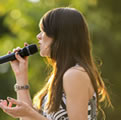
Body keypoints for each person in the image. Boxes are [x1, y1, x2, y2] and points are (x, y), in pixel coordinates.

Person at [0, 7, 113, 120]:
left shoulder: (75, 74)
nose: (38, 36)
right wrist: (21, 75)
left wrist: (30, 113)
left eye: (44, 31)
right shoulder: (61, 76)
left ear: (60, 36)